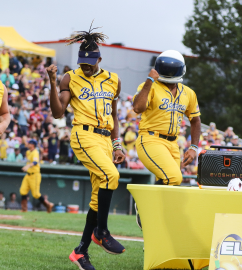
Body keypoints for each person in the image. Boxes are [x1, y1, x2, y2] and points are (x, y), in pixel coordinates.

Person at [47, 24, 126, 270]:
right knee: (111, 175)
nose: (86, 65)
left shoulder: (114, 80)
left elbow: (114, 116)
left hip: (105, 140)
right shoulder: (71, 77)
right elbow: (58, 112)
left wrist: (117, 144)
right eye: (82, 61)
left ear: (99, 59)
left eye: (90, 61)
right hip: (84, 135)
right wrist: (52, 82)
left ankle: (80, 251)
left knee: (96, 197)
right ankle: (101, 232)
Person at [133, 50, 201, 224]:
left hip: (173, 143)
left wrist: (193, 147)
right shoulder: (148, 86)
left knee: (170, 184)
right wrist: (149, 81)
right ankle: (145, 207)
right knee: (174, 178)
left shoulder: (188, 93)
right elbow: (138, 108)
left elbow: (195, 120)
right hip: (150, 139)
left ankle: (151, 220)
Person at [19, 139, 54, 212]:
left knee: (35, 194)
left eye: (29, 143)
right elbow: (28, 158)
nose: (28, 144)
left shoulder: (35, 152)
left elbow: (35, 162)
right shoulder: (28, 151)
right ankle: (24, 209)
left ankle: (48, 205)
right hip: (28, 175)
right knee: (23, 191)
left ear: (33, 145)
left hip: (35, 175)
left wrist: (27, 166)